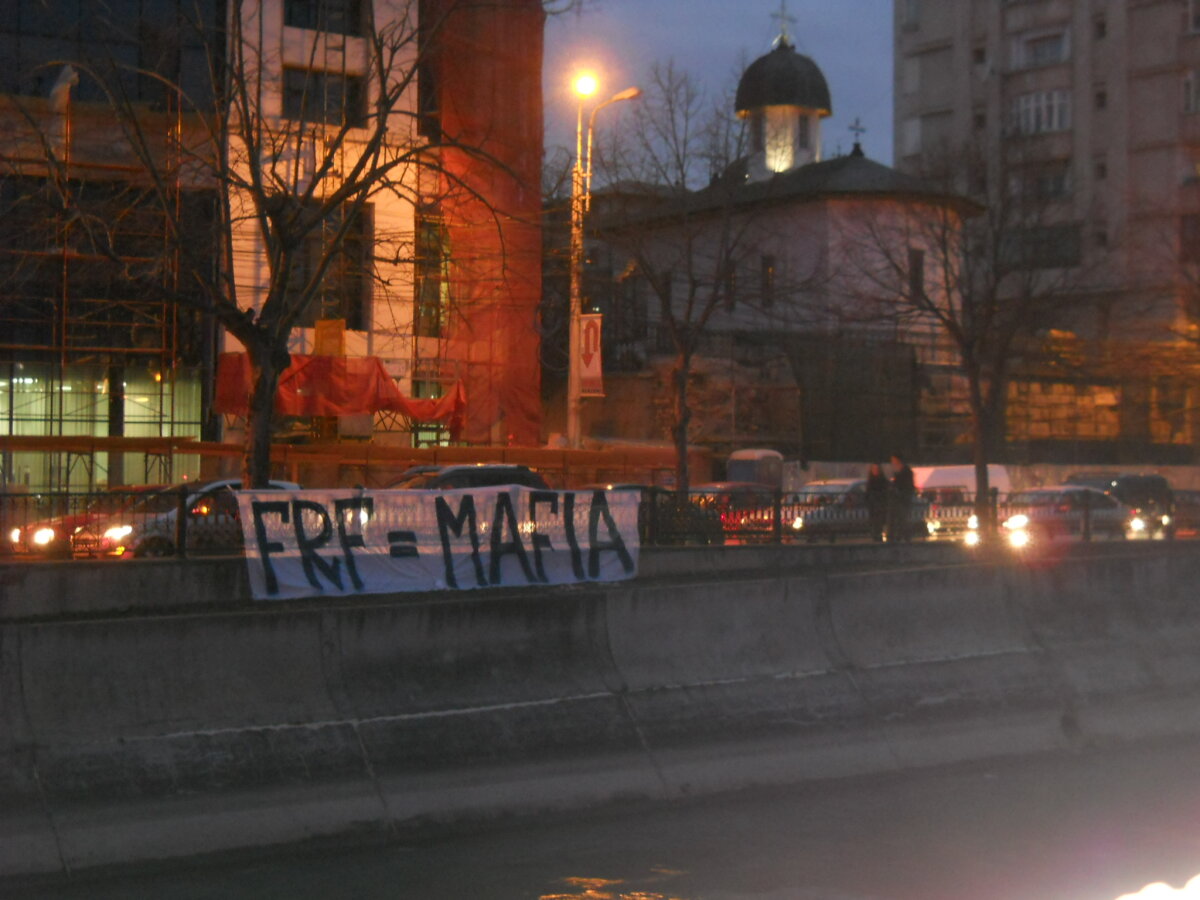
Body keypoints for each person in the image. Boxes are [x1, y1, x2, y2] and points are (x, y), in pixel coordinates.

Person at [889, 453, 916, 542]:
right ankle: (900, 537)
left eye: (893, 461)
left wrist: (898, 491)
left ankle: (904, 537)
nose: (892, 463)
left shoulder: (906, 472)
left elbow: (908, 487)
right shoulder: (899, 472)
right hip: (899, 500)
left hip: (903, 500)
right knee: (900, 519)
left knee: (903, 519)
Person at [865, 463, 888, 542]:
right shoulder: (871, 481)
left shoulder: (882, 481)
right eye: (874, 469)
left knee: (880, 522)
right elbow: (867, 493)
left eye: (877, 469)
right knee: (875, 523)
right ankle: (876, 536)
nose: (875, 471)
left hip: (880, 506)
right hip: (873, 506)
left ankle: (879, 535)